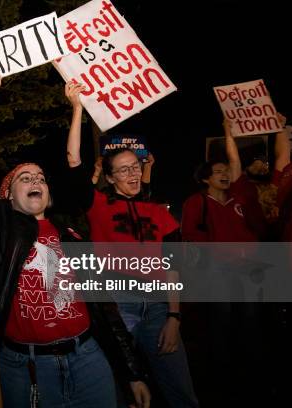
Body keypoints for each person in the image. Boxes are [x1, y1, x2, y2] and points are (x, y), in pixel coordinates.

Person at [0, 73, 150, 408]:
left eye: (41, 178)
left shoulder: (72, 236)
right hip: (24, 368)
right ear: (7, 196)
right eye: (25, 178)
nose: (36, 180)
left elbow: (106, 310)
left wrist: (132, 372)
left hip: (88, 358)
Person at [65, 81, 198, 407]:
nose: (132, 174)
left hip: (156, 308)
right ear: (109, 177)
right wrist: (77, 108)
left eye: (135, 167)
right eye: (123, 170)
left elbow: (172, 267)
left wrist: (174, 317)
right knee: (121, 394)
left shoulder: (159, 212)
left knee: (181, 393)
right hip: (116, 307)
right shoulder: (98, 205)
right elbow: (73, 162)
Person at [225, 114, 291, 239]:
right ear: (245, 169)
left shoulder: (274, 185)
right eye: (255, 164)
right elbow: (234, 160)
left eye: (264, 163)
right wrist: (228, 133)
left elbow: (283, 155)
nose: (262, 166)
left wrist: (280, 127)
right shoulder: (241, 186)